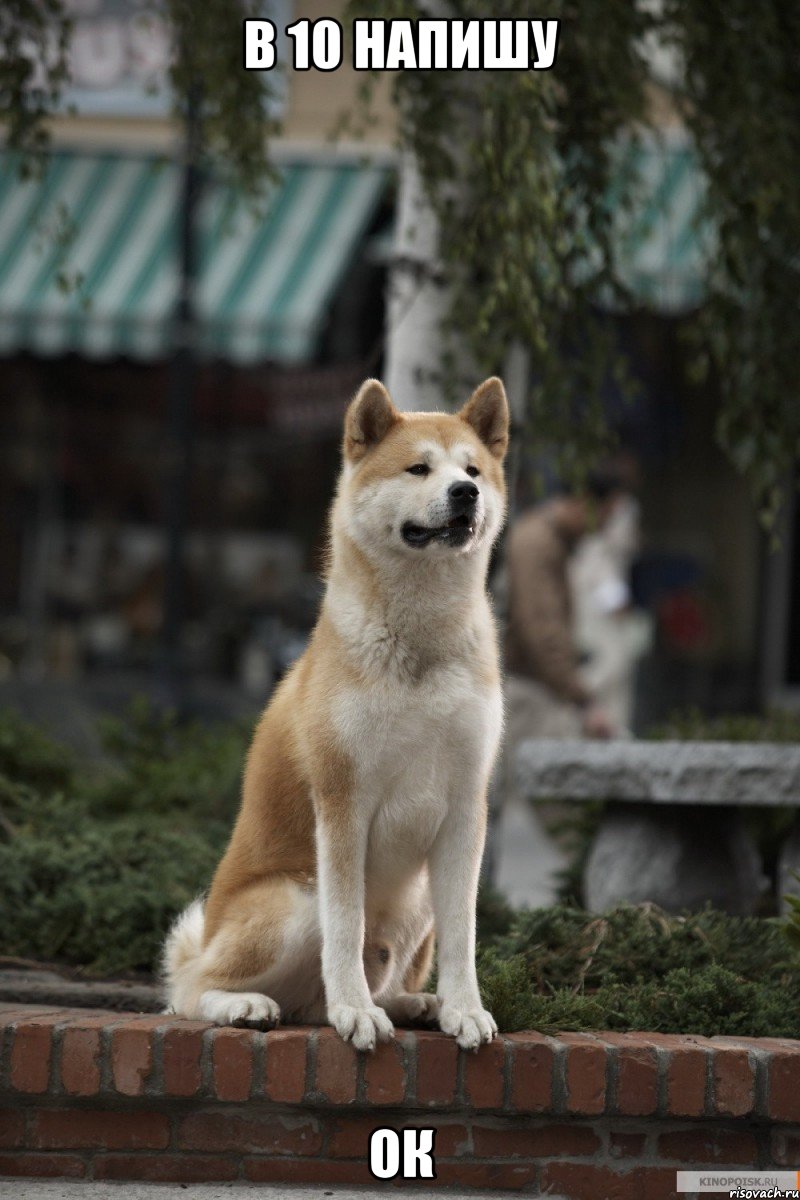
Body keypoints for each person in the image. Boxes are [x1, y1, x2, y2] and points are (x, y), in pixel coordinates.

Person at [504, 470, 627, 743]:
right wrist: (583, 701)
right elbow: (542, 630)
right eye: (606, 515)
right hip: (527, 691)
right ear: (586, 502)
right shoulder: (538, 544)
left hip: (537, 687)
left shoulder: (551, 541)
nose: (605, 527)